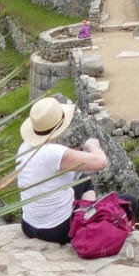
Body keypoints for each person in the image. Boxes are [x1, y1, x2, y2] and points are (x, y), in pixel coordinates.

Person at [15, 95, 108, 245]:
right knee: (129, 201)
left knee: (83, 180)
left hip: (28, 225)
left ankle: (84, 215)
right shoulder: (54, 153)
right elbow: (101, 162)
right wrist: (93, 145)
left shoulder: (24, 148)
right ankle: (84, 221)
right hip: (57, 230)